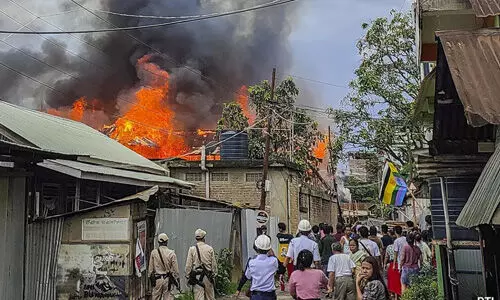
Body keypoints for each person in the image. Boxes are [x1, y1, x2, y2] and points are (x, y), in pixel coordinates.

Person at [240, 235, 284, 300]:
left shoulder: (251, 262)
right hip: (270, 295)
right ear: (269, 248)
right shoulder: (273, 261)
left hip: (256, 295)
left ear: (256, 247)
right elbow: (282, 270)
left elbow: (248, 276)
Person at [185, 229, 217, 300]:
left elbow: (188, 265)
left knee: (199, 297)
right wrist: (213, 275)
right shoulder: (209, 249)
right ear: (204, 238)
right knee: (210, 297)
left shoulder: (192, 249)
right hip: (208, 276)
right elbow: (214, 265)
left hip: (197, 277)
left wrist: (187, 276)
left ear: (196, 238)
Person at [148, 233, 180, 300]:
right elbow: (176, 269)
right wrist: (177, 279)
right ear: (167, 242)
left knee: (155, 297)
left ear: (158, 242)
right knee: (168, 297)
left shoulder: (154, 253)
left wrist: (151, 279)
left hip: (157, 280)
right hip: (167, 280)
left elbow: (150, 270)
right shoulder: (171, 253)